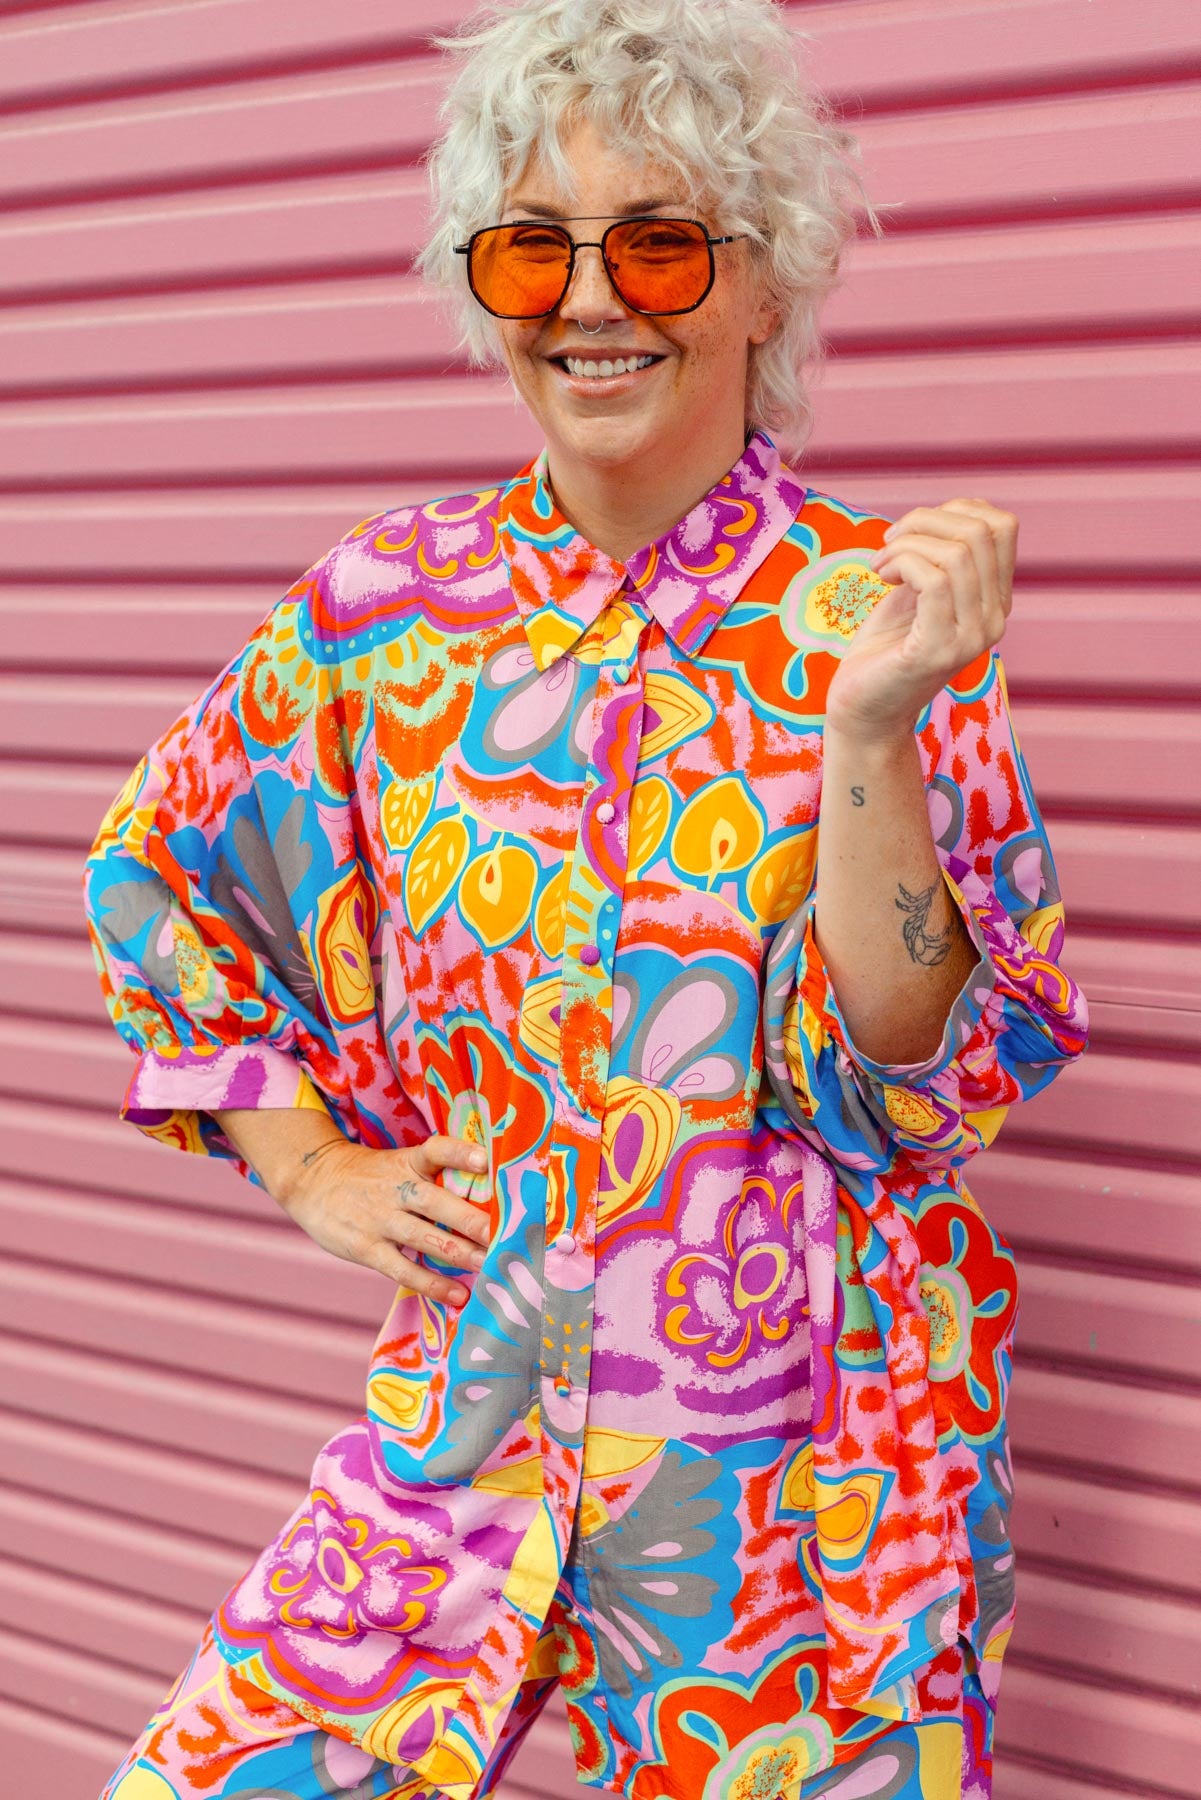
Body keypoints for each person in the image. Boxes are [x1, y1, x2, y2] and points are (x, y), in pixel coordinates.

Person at [84, 2, 1089, 1797]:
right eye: (533, 250)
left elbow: (927, 1078)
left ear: (763, 285)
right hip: (468, 1409)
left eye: (658, 244)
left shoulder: (878, 614)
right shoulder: (382, 616)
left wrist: (870, 727)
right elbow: (160, 870)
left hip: (803, 1483)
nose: (591, 300)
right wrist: (311, 1168)